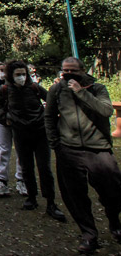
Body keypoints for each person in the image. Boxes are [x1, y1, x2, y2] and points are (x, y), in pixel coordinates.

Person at [45, 57, 121, 254]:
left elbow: (106, 110)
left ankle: (115, 222)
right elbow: (49, 116)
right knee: (75, 195)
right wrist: (56, 144)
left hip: (98, 148)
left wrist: (81, 92)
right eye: (65, 71)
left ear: (83, 70)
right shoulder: (57, 89)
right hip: (69, 150)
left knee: (113, 190)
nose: (68, 74)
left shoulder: (97, 88)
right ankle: (89, 234)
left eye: (73, 71)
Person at [0, 60, 65, 221]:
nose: (22, 77)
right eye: (18, 75)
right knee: (26, 166)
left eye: (24, 74)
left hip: (40, 132)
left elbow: (50, 99)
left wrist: (47, 116)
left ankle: (50, 202)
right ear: (11, 76)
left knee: (44, 168)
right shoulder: (5, 90)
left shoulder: (33, 87)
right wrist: (6, 117)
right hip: (20, 132)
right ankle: (31, 197)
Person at [0, 62, 26, 197]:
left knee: (21, 151)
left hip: (19, 122)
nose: (1, 72)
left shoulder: (21, 86)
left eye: (3, 70)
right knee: (3, 151)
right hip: (1, 122)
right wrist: (6, 116)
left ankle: (21, 179)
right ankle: (2, 181)